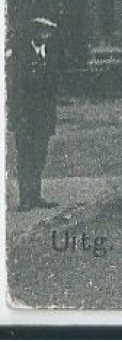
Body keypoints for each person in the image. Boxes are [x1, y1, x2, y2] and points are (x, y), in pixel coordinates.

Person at [9, 17, 62, 210]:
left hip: (44, 116)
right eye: (42, 32)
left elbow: (53, 87)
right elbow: (14, 89)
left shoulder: (49, 55)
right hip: (26, 116)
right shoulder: (21, 56)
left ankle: (36, 194)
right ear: (35, 33)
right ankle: (25, 198)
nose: (45, 36)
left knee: (39, 155)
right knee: (25, 156)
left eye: (48, 32)